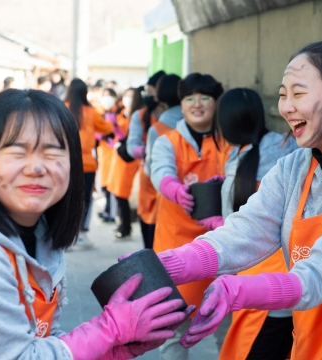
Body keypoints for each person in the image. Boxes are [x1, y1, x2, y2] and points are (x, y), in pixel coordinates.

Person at [149, 41, 322, 359]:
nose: (286, 107)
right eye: (283, 95)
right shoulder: (294, 167)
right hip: (312, 345)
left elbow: (321, 273)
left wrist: (238, 290)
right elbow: (247, 230)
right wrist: (169, 265)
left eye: (298, 94)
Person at [0, 89, 193, 359]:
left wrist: (113, 349)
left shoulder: (39, 233)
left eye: (53, 153)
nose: (36, 168)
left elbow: (39, 343)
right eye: (17, 152)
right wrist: (109, 329)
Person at [194, 88, 298, 360]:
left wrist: (221, 221)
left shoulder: (245, 160)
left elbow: (251, 228)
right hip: (285, 281)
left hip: (262, 287)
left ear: (224, 124)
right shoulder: (287, 148)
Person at [149, 73, 230, 359]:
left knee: (228, 325)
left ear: (216, 102)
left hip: (220, 244)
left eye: (205, 97)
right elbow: (160, 171)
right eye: (189, 98)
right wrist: (173, 188)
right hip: (176, 246)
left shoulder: (227, 141)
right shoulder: (167, 141)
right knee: (172, 330)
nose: (197, 104)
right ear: (180, 105)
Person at [127, 73, 180, 249]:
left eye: (153, 92)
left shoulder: (161, 126)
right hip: (153, 185)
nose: (151, 96)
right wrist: (140, 150)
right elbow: (132, 145)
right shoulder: (141, 116)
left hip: (163, 183)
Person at [64, 79, 113, 249]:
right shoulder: (91, 111)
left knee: (66, 198)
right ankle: (82, 234)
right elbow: (106, 128)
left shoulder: (63, 107)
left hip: (65, 161)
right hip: (87, 163)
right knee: (85, 199)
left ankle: (65, 236)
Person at [106, 88, 142, 238]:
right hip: (118, 156)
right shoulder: (121, 113)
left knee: (123, 193)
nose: (128, 99)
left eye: (131, 96)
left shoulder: (137, 117)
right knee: (117, 191)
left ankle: (126, 226)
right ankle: (123, 224)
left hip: (129, 159)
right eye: (126, 95)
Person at [97, 88, 119, 223]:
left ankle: (111, 212)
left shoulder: (119, 112)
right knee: (104, 184)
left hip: (115, 153)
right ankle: (107, 209)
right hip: (103, 153)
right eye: (104, 96)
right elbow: (96, 132)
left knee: (113, 184)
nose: (107, 98)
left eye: (110, 96)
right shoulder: (99, 112)